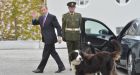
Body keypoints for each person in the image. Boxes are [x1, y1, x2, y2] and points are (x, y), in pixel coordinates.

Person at [31, 6, 65, 73]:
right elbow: (34, 23)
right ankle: (61, 66)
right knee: (53, 53)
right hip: (45, 38)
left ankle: (40, 69)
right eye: (42, 10)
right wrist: (34, 17)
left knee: (45, 54)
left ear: (47, 9)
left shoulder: (52, 17)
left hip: (51, 38)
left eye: (44, 10)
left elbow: (58, 27)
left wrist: (59, 36)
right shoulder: (41, 18)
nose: (43, 11)